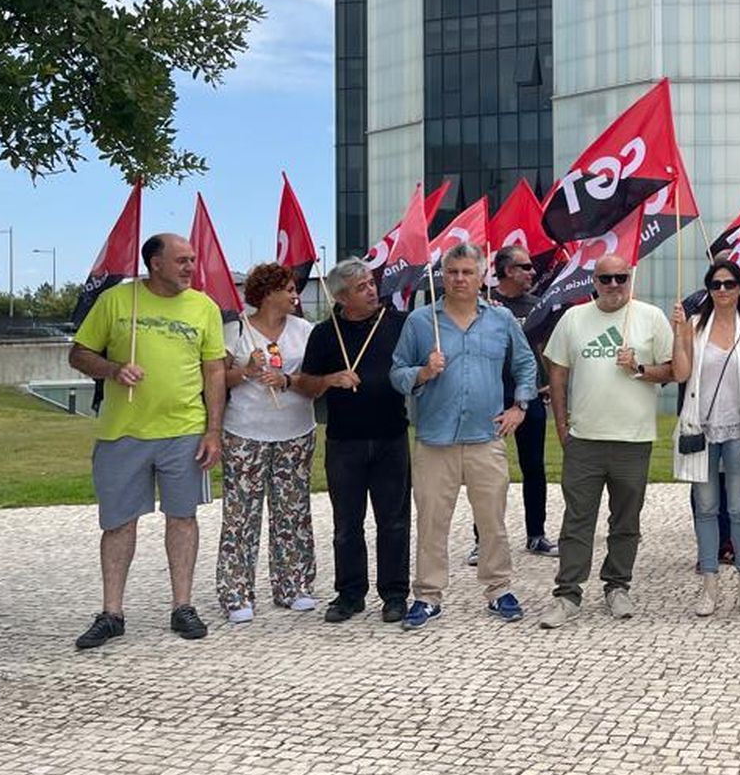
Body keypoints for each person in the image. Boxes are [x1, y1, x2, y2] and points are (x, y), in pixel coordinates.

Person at [68, 234, 225, 648]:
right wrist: (114, 368)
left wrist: (213, 430)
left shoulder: (204, 307)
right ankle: (112, 612)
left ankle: (183, 606)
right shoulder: (117, 301)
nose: (191, 267)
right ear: (155, 263)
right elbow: (79, 354)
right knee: (118, 523)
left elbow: (214, 373)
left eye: (192, 259)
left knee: (183, 518)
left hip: (184, 431)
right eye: (182, 261)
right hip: (123, 432)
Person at [391, 242, 537, 630]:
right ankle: (427, 595)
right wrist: (422, 372)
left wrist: (519, 407)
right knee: (432, 522)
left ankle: (499, 589)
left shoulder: (501, 320)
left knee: (493, 522)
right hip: (434, 440)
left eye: (467, 272)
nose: (459, 279)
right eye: (452, 271)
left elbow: (525, 363)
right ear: (442, 276)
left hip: (485, 437)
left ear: (481, 275)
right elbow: (397, 372)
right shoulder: (421, 322)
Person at [540, 255, 674, 628]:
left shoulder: (650, 317)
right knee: (577, 521)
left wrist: (640, 368)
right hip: (585, 439)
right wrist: (563, 426)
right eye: (606, 278)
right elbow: (558, 372)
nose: (614, 284)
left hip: (634, 438)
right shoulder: (574, 318)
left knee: (626, 520)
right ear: (594, 282)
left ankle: (617, 585)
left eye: (621, 277)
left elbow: (674, 369)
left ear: (629, 279)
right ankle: (568, 594)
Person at [297, 259, 411, 625]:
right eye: (361, 287)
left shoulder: (398, 324)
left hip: (392, 436)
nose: (372, 289)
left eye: (371, 283)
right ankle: (349, 594)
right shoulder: (324, 333)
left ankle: (394, 594)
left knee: (393, 521)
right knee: (347, 523)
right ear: (343, 297)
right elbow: (305, 384)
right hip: (344, 442)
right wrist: (330, 379)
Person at [215, 263, 319, 622]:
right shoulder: (236, 330)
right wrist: (245, 369)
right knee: (241, 514)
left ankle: (294, 586)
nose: (295, 296)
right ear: (268, 292)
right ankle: (236, 593)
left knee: (291, 511)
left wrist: (287, 379)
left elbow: (315, 377)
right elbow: (218, 379)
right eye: (289, 289)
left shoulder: (305, 330)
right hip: (245, 432)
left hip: (295, 431)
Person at [671, 260, 740, 617]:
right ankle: (709, 585)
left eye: (730, 284)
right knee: (706, 508)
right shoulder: (695, 326)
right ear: (708, 289)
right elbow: (681, 373)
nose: (723, 291)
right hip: (702, 428)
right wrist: (677, 333)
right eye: (716, 285)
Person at [490, 245, 558, 557]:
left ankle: (537, 534)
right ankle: (485, 540)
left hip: (528, 396)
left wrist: (548, 383)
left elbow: (547, 347)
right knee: (489, 469)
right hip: (492, 396)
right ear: (507, 271)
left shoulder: (539, 305)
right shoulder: (485, 304)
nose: (533, 272)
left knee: (534, 467)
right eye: (526, 266)